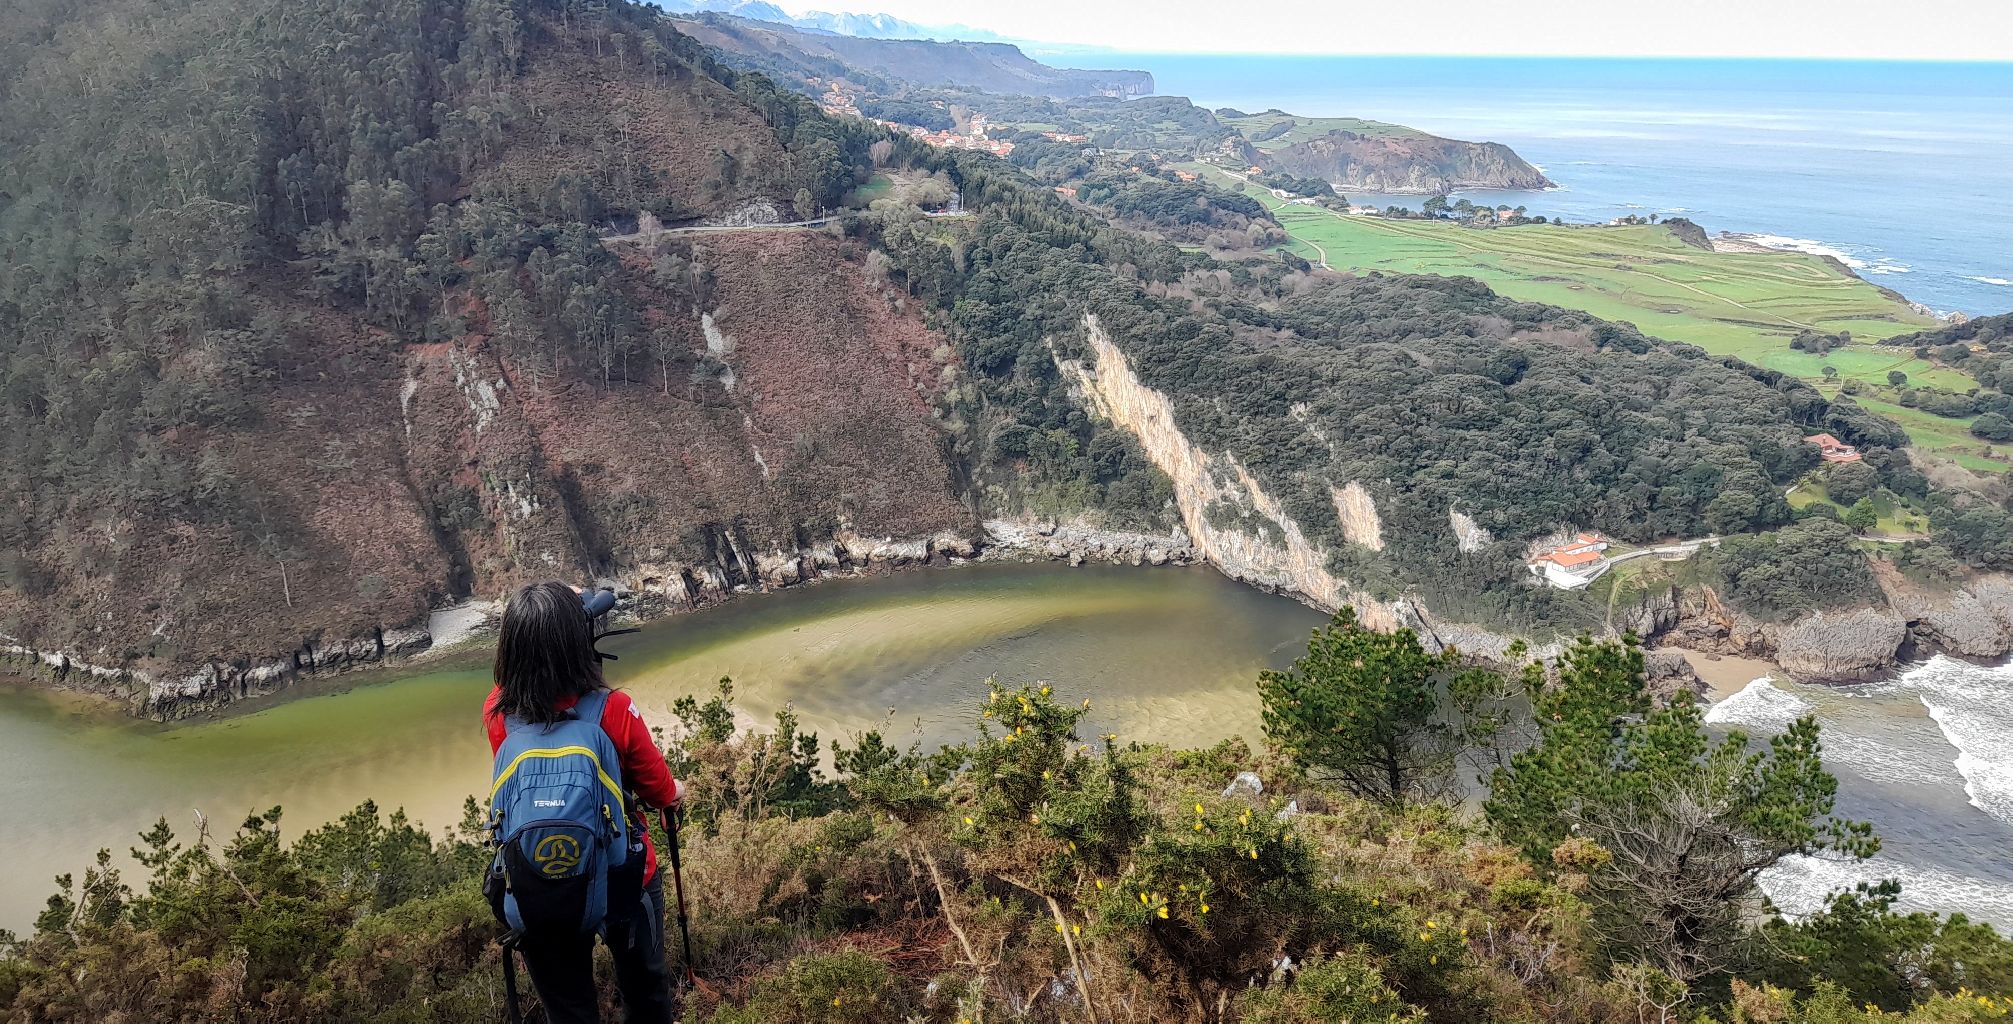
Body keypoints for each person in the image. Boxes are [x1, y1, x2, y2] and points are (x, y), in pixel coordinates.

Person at [484, 581, 685, 1024]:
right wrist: (676, 794)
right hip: (623, 879)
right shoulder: (614, 709)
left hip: (538, 877)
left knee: (569, 1009)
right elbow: (658, 789)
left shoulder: (498, 712)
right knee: (646, 992)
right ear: (577, 643)